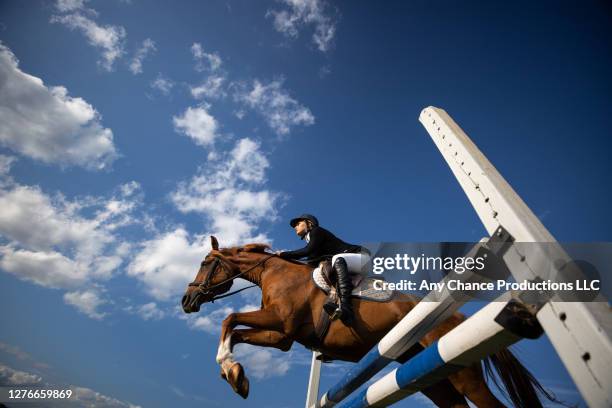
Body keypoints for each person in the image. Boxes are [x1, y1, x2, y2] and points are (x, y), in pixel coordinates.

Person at [277, 214, 366, 324]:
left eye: (298, 223)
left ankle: (346, 307)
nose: (295, 227)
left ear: (309, 223)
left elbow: (307, 251)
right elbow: (309, 264)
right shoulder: (312, 242)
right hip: (351, 262)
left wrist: (284, 254)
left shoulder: (317, 232)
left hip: (363, 257)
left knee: (338, 259)